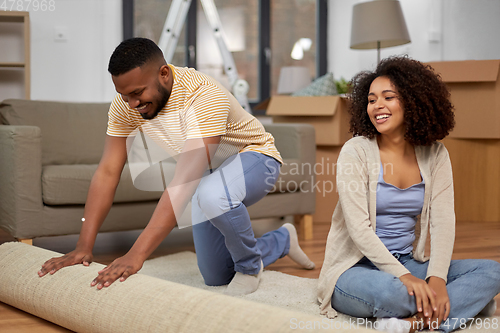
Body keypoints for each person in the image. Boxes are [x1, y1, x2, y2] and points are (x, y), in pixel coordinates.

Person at [38, 37, 315, 296]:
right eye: (124, 96)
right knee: (216, 274)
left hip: (256, 158)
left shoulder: (203, 96)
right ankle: (281, 241)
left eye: (137, 93)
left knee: (212, 195)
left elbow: (183, 182)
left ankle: (250, 267)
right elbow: (107, 172)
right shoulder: (127, 105)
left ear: (164, 74)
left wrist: (137, 254)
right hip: (208, 175)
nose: (132, 104)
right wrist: (83, 246)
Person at [317, 56, 500, 333]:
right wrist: (404, 277)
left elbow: (442, 221)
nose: (377, 106)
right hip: (355, 268)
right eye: (371, 99)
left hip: (407, 260)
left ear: (413, 101)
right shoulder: (355, 151)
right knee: (397, 293)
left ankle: (413, 324)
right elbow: (359, 229)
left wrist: (436, 277)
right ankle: (460, 307)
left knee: (492, 272)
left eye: (388, 97)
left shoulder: (435, 154)